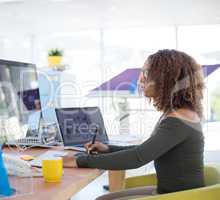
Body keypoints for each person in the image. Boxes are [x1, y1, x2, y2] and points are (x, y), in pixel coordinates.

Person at [62, 49, 205, 200]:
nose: (141, 79)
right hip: (170, 193)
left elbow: (137, 158)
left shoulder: (179, 120)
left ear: (167, 80)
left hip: (178, 197)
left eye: (147, 73)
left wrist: (79, 160)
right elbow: (145, 150)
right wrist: (107, 149)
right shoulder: (178, 114)